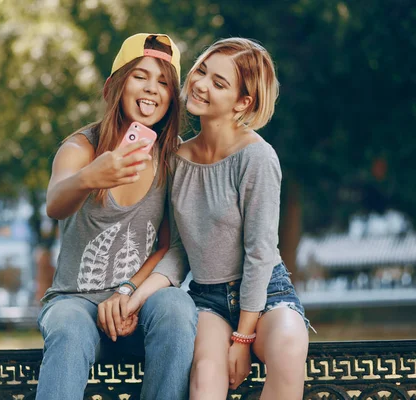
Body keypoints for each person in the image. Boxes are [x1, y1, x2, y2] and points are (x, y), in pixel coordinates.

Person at [36, 33, 197, 400]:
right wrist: (90, 177)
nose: (152, 89)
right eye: (141, 76)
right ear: (115, 86)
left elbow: (170, 246)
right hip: (75, 302)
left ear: (172, 98)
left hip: (139, 303)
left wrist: (130, 293)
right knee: (67, 326)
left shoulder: (172, 162)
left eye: (164, 82)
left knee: (176, 307)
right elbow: (55, 203)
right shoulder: (81, 147)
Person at [169, 38, 312, 399]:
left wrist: (243, 338)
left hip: (267, 293)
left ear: (243, 102)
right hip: (206, 298)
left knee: (290, 347)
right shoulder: (175, 160)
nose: (201, 84)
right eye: (201, 70)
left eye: (219, 83)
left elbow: (261, 251)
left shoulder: (257, 157)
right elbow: (175, 248)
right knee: (205, 378)